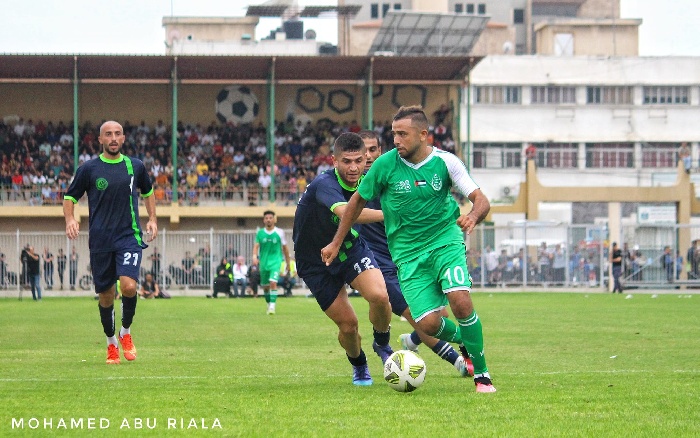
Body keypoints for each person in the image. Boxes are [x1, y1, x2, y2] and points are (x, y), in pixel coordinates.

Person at [322, 106, 496, 393]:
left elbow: (480, 199)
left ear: (423, 135)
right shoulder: (384, 166)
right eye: (394, 134)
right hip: (407, 254)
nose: (396, 140)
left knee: (460, 301)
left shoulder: (446, 162)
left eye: (402, 134)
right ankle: (465, 339)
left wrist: (473, 217)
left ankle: (483, 375)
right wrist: (336, 241)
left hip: (445, 241)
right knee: (428, 324)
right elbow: (355, 204)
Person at [358, 130, 473, 378]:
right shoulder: (356, 185)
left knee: (439, 315)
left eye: (372, 150)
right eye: (362, 151)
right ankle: (460, 361)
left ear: (380, 151)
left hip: (413, 256)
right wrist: (391, 214)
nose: (367, 156)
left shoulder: (395, 173)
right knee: (416, 315)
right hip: (380, 264)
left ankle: (411, 341)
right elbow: (350, 212)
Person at [293, 132, 394, 386]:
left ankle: (382, 343)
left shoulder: (368, 180)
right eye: (346, 161)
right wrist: (391, 214)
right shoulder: (324, 184)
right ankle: (359, 364)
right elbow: (349, 212)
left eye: (359, 161)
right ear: (334, 161)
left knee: (380, 296)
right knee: (349, 326)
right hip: (316, 262)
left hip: (349, 248)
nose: (353, 167)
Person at [64, 120, 158, 365]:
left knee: (128, 287)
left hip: (129, 237)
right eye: (108, 134)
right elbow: (70, 196)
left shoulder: (135, 166)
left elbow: (148, 193)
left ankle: (125, 333)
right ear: (101, 140)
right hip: (101, 240)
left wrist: (153, 220)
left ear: (124, 138)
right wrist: (70, 219)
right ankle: (111, 343)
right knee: (106, 295)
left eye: (117, 134)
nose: (113, 138)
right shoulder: (89, 169)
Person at [252, 210, 291, 314]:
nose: (268, 220)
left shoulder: (280, 232)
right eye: (266, 218)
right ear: (263, 220)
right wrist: (254, 256)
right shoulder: (260, 233)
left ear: (274, 219)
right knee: (265, 287)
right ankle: (269, 303)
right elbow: (256, 246)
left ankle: (272, 307)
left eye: (270, 218)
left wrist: (288, 263)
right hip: (264, 263)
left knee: (273, 282)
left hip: (276, 261)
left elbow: (285, 249)